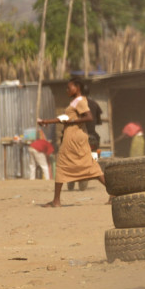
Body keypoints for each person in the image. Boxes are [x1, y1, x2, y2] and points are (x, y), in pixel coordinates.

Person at [38, 78, 107, 207]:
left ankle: (56, 201)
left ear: (78, 88)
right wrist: (46, 122)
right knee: (91, 166)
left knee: (62, 164)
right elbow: (66, 119)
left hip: (75, 138)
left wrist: (72, 122)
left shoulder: (80, 101)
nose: (67, 90)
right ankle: (113, 193)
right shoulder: (74, 102)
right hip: (73, 137)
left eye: (69, 87)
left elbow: (89, 117)